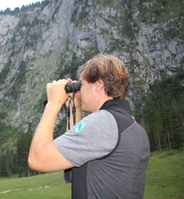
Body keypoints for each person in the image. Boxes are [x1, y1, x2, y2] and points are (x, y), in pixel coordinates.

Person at [28, 53, 150, 198]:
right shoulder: (131, 125)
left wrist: (53, 104)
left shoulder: (103, 123)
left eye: (82, 84)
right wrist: (75, 108)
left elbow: (37, 159)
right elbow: (74, 161)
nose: (79, 91)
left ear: (98, 85)